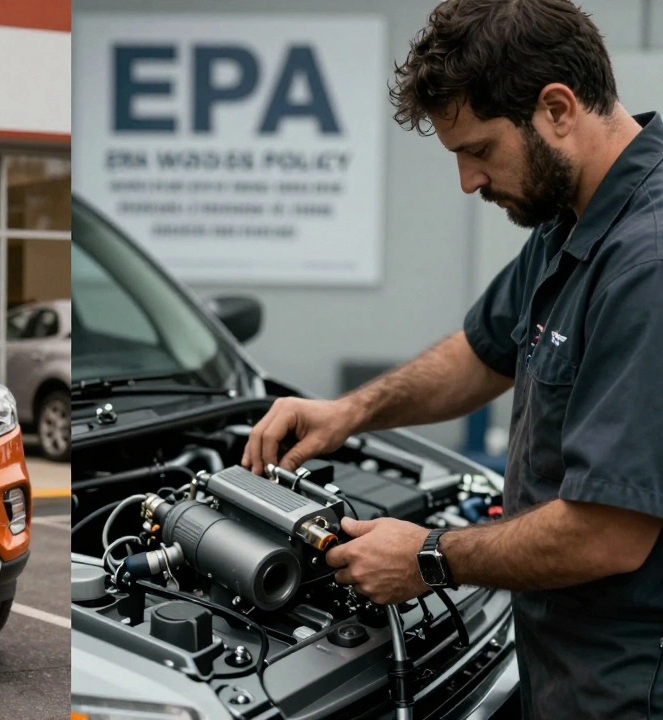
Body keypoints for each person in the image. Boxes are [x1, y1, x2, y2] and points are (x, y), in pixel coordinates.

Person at [240, 1, 663, 718]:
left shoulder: (646, 263)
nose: (468, 182)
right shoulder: (576, 222)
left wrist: (430, 557)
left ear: (557, 108)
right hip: (563, 661)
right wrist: (351, 412)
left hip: (631, 685)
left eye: (479, 150)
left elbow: (611, 533)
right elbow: (483, 351)